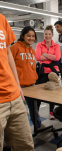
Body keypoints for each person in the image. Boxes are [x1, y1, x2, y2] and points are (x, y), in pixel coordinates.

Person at [0, 14, 34, 150]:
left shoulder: (1, 19)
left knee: (25, 146)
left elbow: (7, 53)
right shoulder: (18, 47)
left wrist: (17, 85)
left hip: (14, 95)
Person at [10, 26, 45, 130]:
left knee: (33, 108)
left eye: (33, 36)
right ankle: (17, 131)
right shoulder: (15, 47)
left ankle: (37, 126)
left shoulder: (32, 50)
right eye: (28, 36)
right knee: (18, 111)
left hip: (31, 84)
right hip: (18, 85)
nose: (31, 38)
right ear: (22, 36)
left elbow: (32, 67)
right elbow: (7, 64)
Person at [36, 25, 61, 120]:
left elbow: (57, 58)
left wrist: (45, 54)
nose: (47, 36)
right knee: (39, 92)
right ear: (43, 35)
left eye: (49, 34)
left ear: (52, 35)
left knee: (52, 93)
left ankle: (51, 112)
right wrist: (51, 56)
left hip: (53, 71)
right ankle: (37, 111)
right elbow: (38, 57)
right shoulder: (39, 45)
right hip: (43, 71)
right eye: (46, 34)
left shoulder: (56, 45)